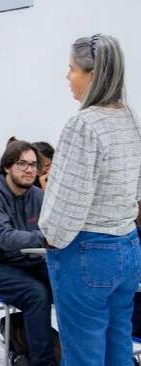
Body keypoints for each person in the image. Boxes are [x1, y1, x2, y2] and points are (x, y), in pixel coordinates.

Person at [39, 34, 141, 365]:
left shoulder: (82, 124)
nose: (67, 76)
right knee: (118, 346)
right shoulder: (129, 118)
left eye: (71, 69)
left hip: (86, 252)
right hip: (127, 246)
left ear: (92, 75)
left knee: (83, 354)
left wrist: (50, 237)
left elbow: (68, 205)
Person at [0, 141, 56, 366]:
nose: (29, 170)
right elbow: (6, 239)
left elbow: (52, 227)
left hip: (26, 260)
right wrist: (46, 239)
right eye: (22, 163)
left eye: (34, 165)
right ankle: (42, 362)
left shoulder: (36, 195)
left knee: (68, 284)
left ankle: (75, 355)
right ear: (7, 166)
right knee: (36, 294)